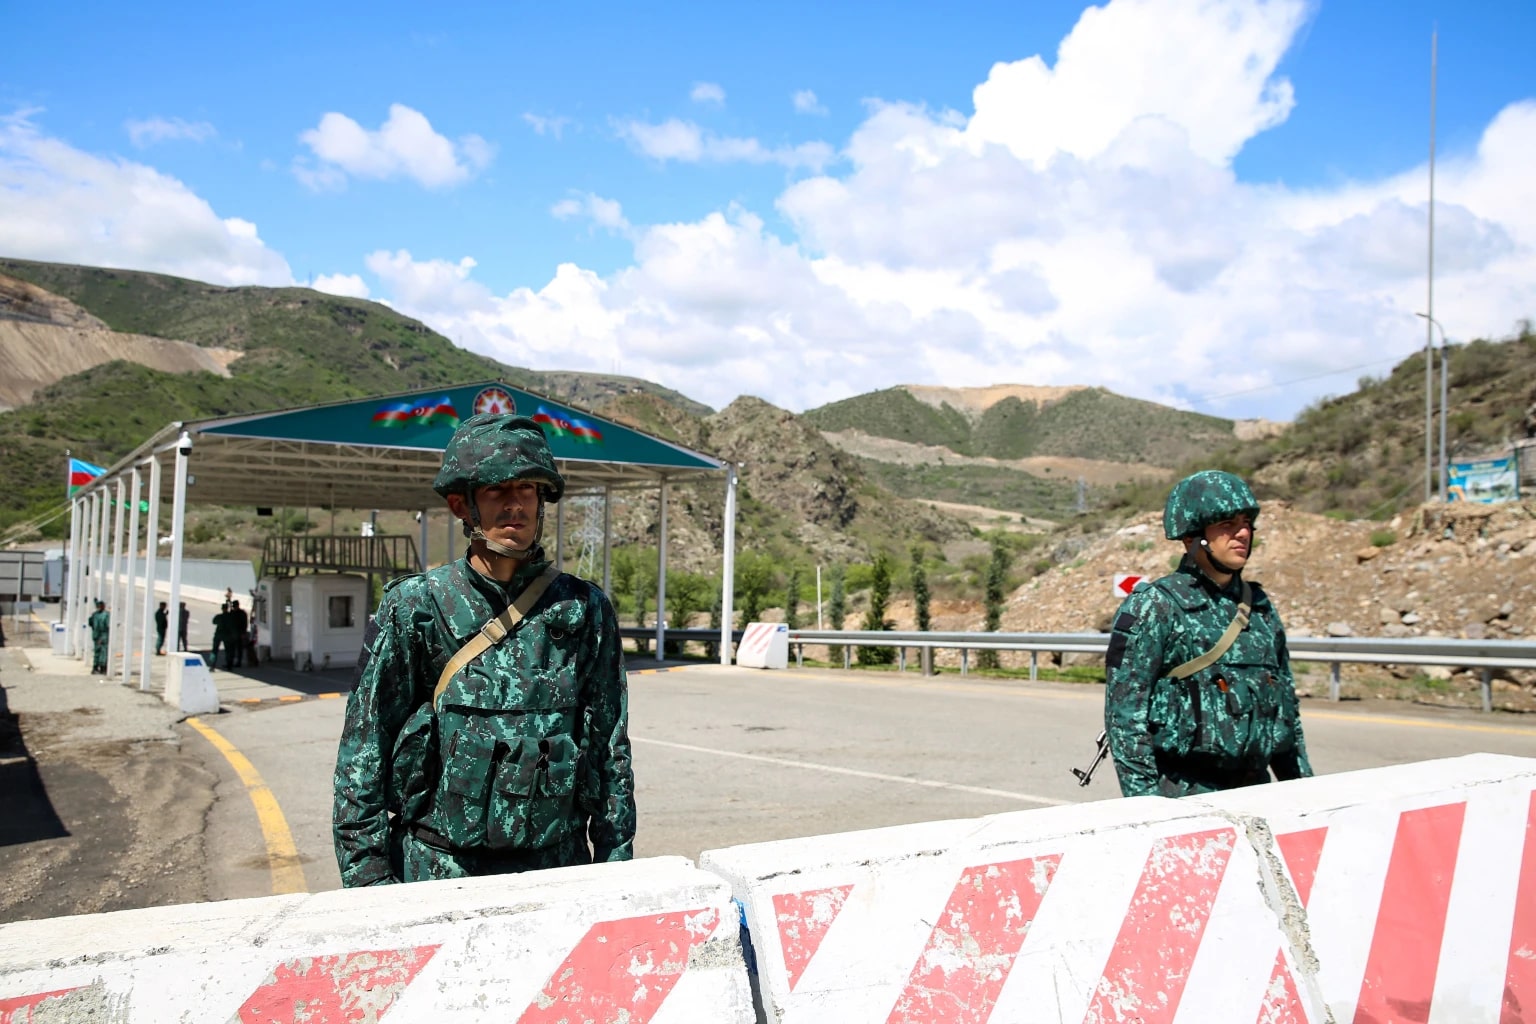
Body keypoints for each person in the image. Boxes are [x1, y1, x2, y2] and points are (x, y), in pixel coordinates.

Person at [333, 413, 634, 887]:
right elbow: (363, 751)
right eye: (497, 490)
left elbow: (609, 749)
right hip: (440, 872)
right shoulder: (418, 607)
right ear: (462, 505)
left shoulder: (582, 609)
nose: (515, 504)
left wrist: (616, 868)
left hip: (557, 872)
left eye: (527, 489)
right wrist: (368, 882)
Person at [1103, 470, 1312, 797]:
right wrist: (1147, 807)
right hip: (1184, 798)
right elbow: (1126, 719)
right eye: (1227, 524)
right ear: (1192, 536)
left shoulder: (1259, 607)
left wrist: (1305, 796)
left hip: (1259, 796)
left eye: (1246, 523)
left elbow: (1286, 714)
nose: (1243, 533)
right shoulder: (1156, 606)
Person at [88, 600, 110, 674]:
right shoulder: (106, 615)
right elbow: (108, 625)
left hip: (96, 635)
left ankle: (95, 667)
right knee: (103, 652)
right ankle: (102, 668)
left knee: (97, 652)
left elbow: (90, 623)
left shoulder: (94, 614)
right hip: (103, 635)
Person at [227, 600, 248, 668]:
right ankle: (231, 662)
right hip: (233, 633)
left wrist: (243, 633)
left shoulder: (242, 613)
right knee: (232, 649)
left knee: (239, 649)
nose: (234, 608)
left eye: (235, 606)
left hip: (239, 633)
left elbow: (245, 624)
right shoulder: (232, 612)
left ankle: (238, 662)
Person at [210, 602, 229, 670]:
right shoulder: (230, 617)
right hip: (226, 635)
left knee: (214, 650)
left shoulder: (219, 616)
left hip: (218, 634)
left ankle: (212, 665)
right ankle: (229, 665)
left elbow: (213, 622)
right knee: (228, 650)